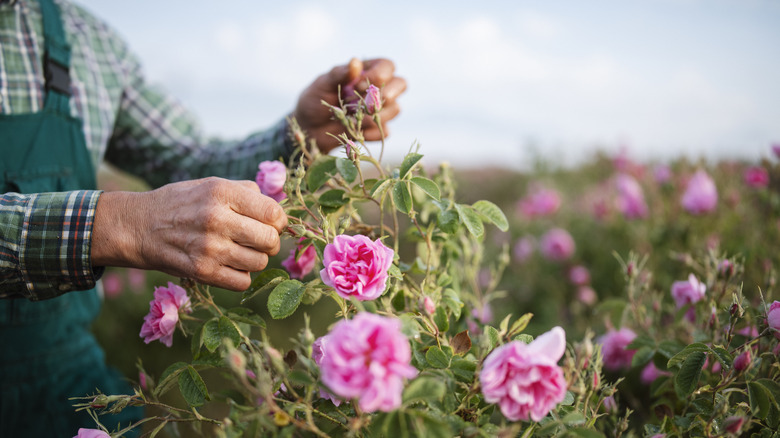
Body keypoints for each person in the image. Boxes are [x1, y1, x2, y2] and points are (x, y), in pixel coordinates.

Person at [0, 0, 406, 435]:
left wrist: (302, 135)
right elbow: (135, 215)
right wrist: (115, 224)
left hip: (61, 367)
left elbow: (189, 160)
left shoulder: (88, 40)